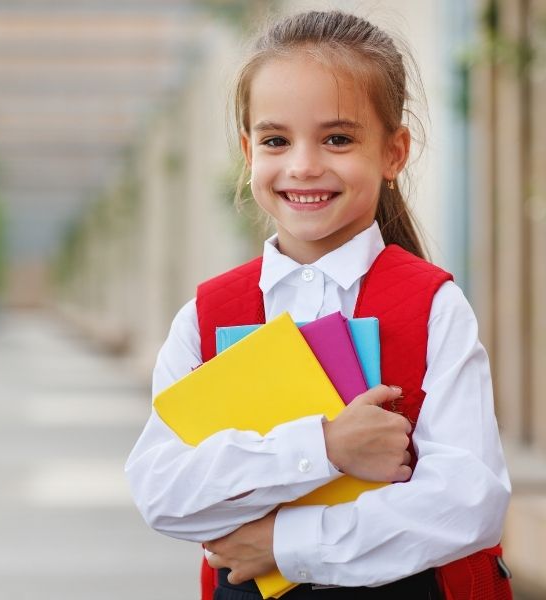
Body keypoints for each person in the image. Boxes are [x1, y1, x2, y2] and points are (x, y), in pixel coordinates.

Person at [124, 10, 512, 600]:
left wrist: (285, 545)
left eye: (338, 138)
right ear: (248, 150)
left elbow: (467, 502)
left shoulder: (433, 306)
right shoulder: (205, 317)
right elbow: (164, 493)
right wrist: (324, 448)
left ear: (394, 152)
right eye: (277, 140)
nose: (304, 165)